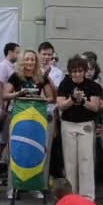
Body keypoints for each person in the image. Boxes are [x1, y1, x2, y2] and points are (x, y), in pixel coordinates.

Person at [3, 49, 55, 198]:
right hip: (19, 117)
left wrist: (40, 99)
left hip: (36, 118)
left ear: (36, 61)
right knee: (16, 151)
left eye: (32, 60)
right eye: (27, 59)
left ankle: (35, 186)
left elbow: (51, 98)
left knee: (36, 152)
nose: (30, 62)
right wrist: (18, 94)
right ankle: (13, 187)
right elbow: (5, 95)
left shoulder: (40, 77)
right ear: (22, 61)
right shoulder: (16, 76)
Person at [56, 55, 100, 200]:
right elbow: (60, 105)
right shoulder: (65, 84)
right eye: (74, 71)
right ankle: (71, 196)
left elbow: (95, 107)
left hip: (86, 125)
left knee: (86, 160)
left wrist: (83, 101)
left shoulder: (92, 86)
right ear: (69, 72)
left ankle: (87, 196)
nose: (76, 74)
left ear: (85, 71)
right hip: (68, 124)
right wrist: (72, 99)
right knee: (70, 161)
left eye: (80, 71)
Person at [0, 42, 20, 189]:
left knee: (6, 143)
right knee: (0, 143)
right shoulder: (2, 66)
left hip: (12, 109)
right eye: (17, 52)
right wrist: (1, 107)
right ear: (10, 52)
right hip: (4, 109)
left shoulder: (13, 67)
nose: (18, 55)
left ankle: (2, 173)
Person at [38, 42, 64, 184]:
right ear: (39, 54)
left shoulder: (57, 73)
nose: (47, 57)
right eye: (44, 54)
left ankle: (45, 179)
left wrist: (47, 78)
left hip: (49, 112)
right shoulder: (33, 69)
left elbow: (56, 94)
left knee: (48, 147)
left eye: (49, 54)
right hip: (33, 111)